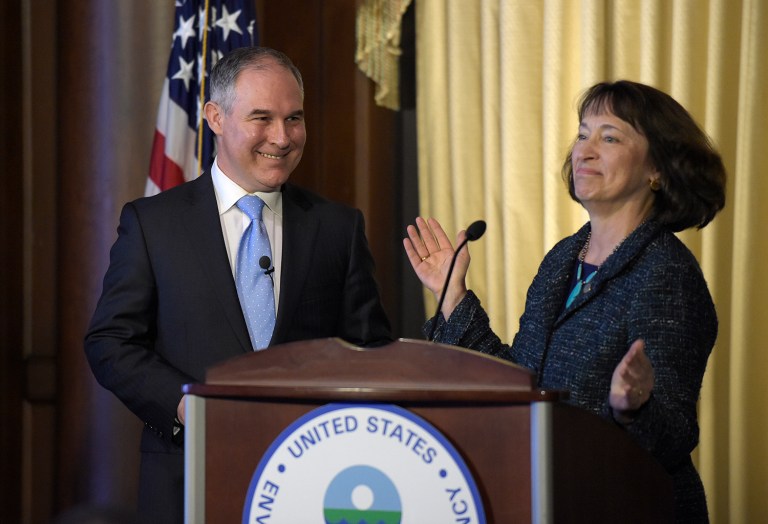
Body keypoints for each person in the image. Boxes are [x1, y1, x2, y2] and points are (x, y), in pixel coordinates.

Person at [85, 46, 392, 523]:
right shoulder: (154, 224)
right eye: (262, 118)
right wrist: (187, 406)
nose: (283, 137)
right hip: (189, 478)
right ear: (215, 117)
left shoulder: (336, 228)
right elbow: (111, 342)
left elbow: (369, 353)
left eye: (294, 118)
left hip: (313, 483)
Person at [404, 80, 725, 522]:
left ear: (658, 171)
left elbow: (673, 436)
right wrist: (452, 294)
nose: (584, 150)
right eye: (582, 134)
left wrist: (635, 407)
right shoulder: (563, 258)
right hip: (552, 498)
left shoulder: (666, 274)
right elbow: (521, 386)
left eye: (609, 137)